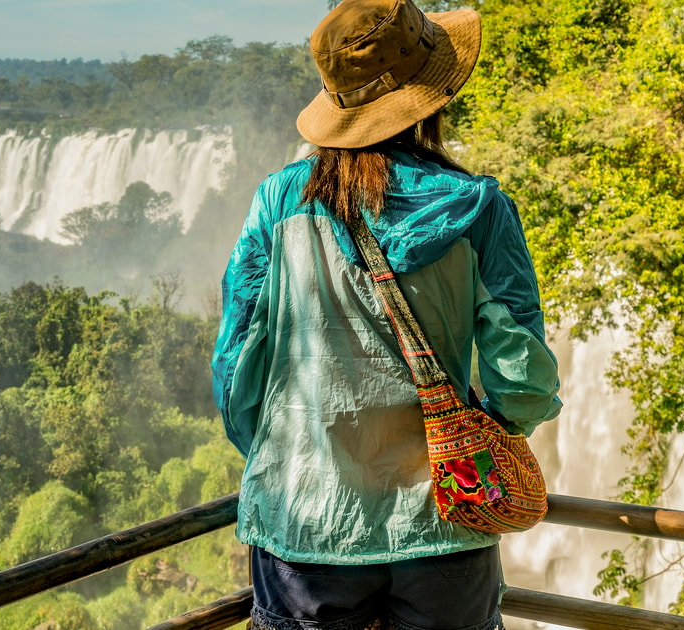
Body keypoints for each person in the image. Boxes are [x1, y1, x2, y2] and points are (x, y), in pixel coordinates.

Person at [210, 0, 564, 628]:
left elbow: (238, 363)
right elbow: (525, 380)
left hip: (306, 524)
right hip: (446, 519)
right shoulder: (477, 208)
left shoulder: (279, 201)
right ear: (430, 96)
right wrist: (485, 432)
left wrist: (287, 453)